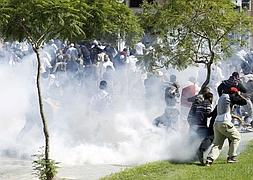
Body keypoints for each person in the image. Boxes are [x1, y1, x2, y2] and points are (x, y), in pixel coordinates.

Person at [206, 87, 247, 166]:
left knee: (217, 143)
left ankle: (210, 159)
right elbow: (244, 102)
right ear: (234, 93)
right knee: (236, 137)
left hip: (217, 123)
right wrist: (239, 95)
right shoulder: (230, 97)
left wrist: (237, 117)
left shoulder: (222, 97)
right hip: (225, 123)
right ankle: (231, 157)